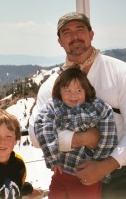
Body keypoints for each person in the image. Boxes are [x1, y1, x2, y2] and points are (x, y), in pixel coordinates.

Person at [28, 12, 126, 199]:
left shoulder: (122, 74)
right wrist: (83, 138)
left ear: (91, 34)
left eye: (80, 30)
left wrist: (105, 165)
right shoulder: (51, 86)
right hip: (77, 176)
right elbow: (35, 135)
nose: (74, 37)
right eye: (67, 32)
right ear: (60, 41)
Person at [34, 66, 118, 199]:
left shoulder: (97, 107)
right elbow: (43, 126)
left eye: (79, 90)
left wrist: (98, 163)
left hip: (87, 175)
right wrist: (53, 158)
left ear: (86, 91)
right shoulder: (55, 106)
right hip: (61, 171)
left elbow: (109, 135)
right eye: (67, 90)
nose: (73, 95)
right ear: (59, 92)